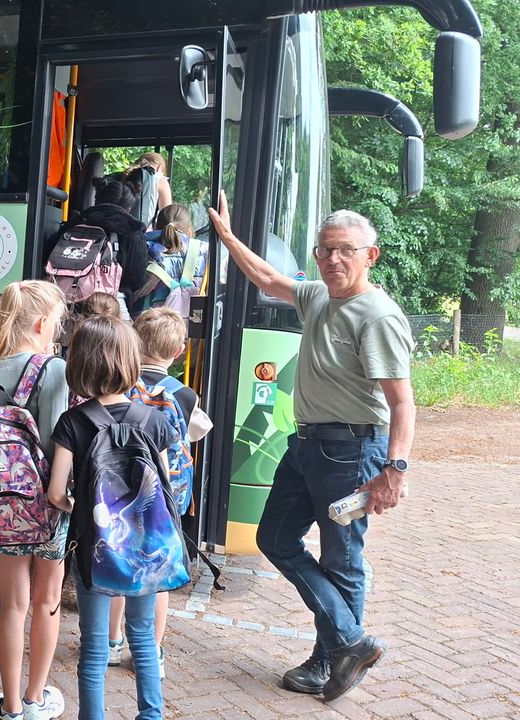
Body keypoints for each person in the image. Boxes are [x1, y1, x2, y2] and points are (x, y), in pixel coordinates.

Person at [208, 194, 415, 701]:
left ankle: (329, 661)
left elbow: (402, 402)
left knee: (342, 560)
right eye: (325, 250)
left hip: (352, 451)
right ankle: (350, 642)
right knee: (275, 538)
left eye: (345, 250)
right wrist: (229, 238)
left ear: (371, 255)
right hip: (305, 445)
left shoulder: (378, 316)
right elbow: (267, 278)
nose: (332, 259)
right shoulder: (319, 295)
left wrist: (394, 470)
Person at [47, 315, 175, 720]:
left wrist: (89, 513)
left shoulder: (73, 422)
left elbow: (55, 493)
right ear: (131, 360)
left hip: (94, 550)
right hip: (144, 551)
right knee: (143, 638)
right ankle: (151, 715)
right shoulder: (154, 421)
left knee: (94, 646)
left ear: (80, 364)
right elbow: (164, 489)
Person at [0, 280, 70, 720]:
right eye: (57, 323)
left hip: (5, 505)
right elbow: (56, 441)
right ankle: (35, 700)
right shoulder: (53, 369)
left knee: (11, 604)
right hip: (49, 505)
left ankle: (9, 706)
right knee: (47, 600)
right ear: (40, 324)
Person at [105, 307, 213, 676]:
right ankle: (151, 651)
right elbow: (196, 432)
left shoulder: (121, 383)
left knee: (120, 559)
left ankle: (112, 641)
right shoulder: (185, 394)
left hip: (122, 486)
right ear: (179, 351)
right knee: (159, 569)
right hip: (166, 492)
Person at [78, 180, 148, 319]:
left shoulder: (77, 221)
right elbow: (136, 280)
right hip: (111, 306)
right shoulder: (133, 232)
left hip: (69, 297)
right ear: (129, 208)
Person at [137, 204, 207, 311]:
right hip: (194, 319)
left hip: (151, 319)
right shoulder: (205, 251)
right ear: (189, 230)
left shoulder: (143, 248)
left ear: (155, 227)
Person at [122, 152, 172, 228]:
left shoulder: (125, 175)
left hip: (120, 228)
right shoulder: (160, 180)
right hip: (144, 231)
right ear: (160, 167)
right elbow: (167, 216)